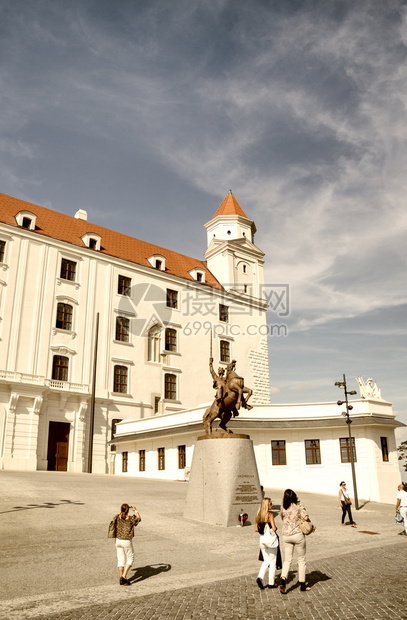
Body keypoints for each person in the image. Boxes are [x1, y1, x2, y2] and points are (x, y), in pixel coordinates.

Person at [279, 489, 310, 593]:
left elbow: (282, 517)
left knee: (287, 560)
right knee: (301, 560)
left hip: (286, 535)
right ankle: (302, 584)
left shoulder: (283, 506)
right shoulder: (298, 505)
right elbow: (306, 517)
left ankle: (283, 580)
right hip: (297, 534)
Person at [113, 503, 141, 585]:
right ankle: (123, 577)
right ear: (128, 511)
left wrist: (119, 513)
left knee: (120, 559)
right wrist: (135, 510)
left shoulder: (117, 517)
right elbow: (139, 518)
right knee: (130, 558)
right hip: (126, 541)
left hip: (118, 540)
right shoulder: (131, 519)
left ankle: (121, 578)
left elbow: (114, 519)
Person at [255, 497, 279, 589]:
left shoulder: (258, 515)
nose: (272, 505)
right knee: (272, 561)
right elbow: (274, 528)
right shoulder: (270, 515)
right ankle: (271, 583)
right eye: (270, 503)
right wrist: (273, 528)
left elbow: (256, 529)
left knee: (266, 560)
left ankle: (260, 577)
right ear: (267, 505)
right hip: (270, 541)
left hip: (262, 540)